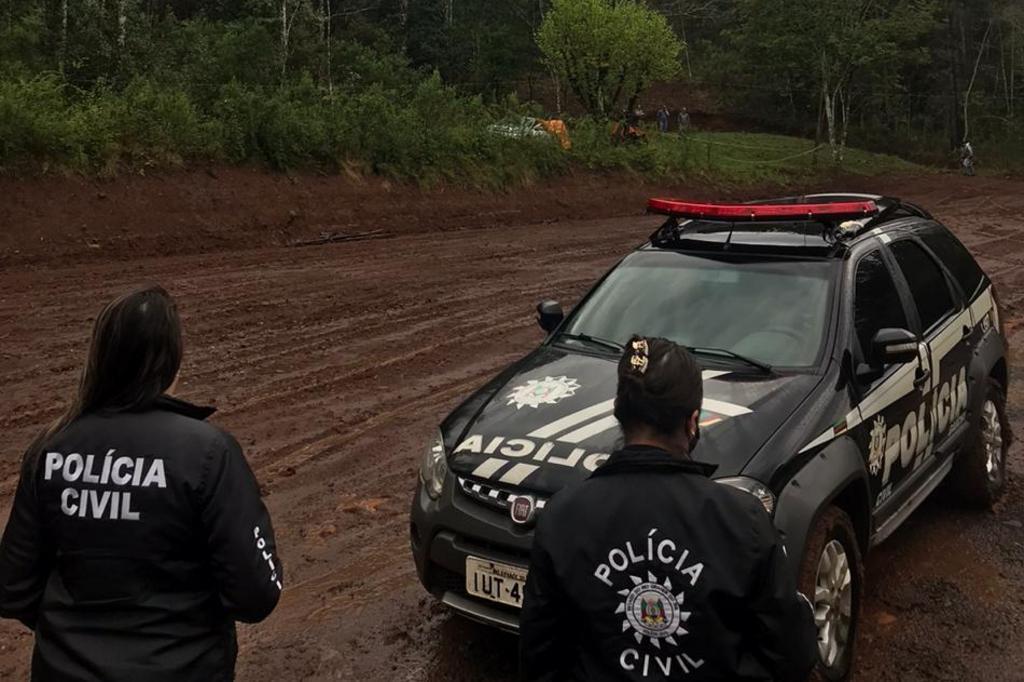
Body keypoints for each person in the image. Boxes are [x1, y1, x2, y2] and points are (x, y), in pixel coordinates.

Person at [0, 285, 282, 681]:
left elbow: (13, 586)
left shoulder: (49, 450)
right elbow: (256, 594)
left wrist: (75, 638)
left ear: (100, 355)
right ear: (173, 361)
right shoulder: (207, 452)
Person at [520, 336, 817, 682]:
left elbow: (539, 657)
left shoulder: (563, 516)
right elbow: (791, 655)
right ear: (693, 422)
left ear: (620, 414)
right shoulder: (743, 520)